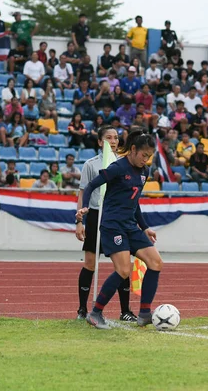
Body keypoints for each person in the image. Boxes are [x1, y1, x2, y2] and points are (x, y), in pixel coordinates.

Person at [76, 130, 162, 329]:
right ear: (133, 150)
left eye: (149, 157)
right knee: (123, 270)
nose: (146, 160)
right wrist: (84, 208)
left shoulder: (144, 172)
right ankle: (95, 312)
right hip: (112, 226)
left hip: (131, 226)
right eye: (144, 155)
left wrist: (145, 227)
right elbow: (90, 186)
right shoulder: (117, 168)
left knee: (156, 262)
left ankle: (144, 313)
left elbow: (135, 201)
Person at [74, 126, 137, 322]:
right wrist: (79, 221)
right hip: (94, 216)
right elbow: (83, 192)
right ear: (100, 142)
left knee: (123, 265)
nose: (113, 141)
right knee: (90, 264)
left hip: (117, 218)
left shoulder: (125, 164)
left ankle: (125, 310)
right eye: (108, 137)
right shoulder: (91, 165)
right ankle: (82, 309)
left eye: (116, 137)